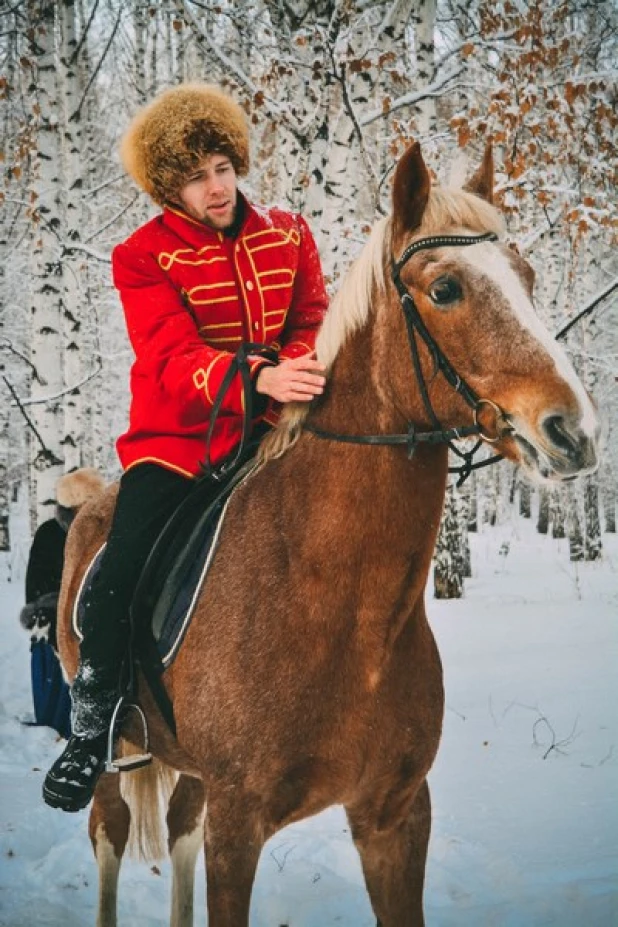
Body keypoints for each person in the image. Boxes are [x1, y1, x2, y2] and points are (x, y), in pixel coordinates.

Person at [42, 83, 328, 812]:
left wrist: (296, 366)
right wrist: (260, 376)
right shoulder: (141, 256)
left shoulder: (289, 233)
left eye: (223, 165)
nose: (217, 185)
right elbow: (169, 355)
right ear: (170, 188)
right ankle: (94, 722)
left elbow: (311, 313)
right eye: (197, 174)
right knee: (118, 573)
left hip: (276, 436)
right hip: (178, 445)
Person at [20, 469, 106, 738]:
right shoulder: (50, 533)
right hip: (52, 618)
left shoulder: (102, 534)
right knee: (54, 686)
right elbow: (36, 582)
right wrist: (55, 606)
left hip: (91, 619)